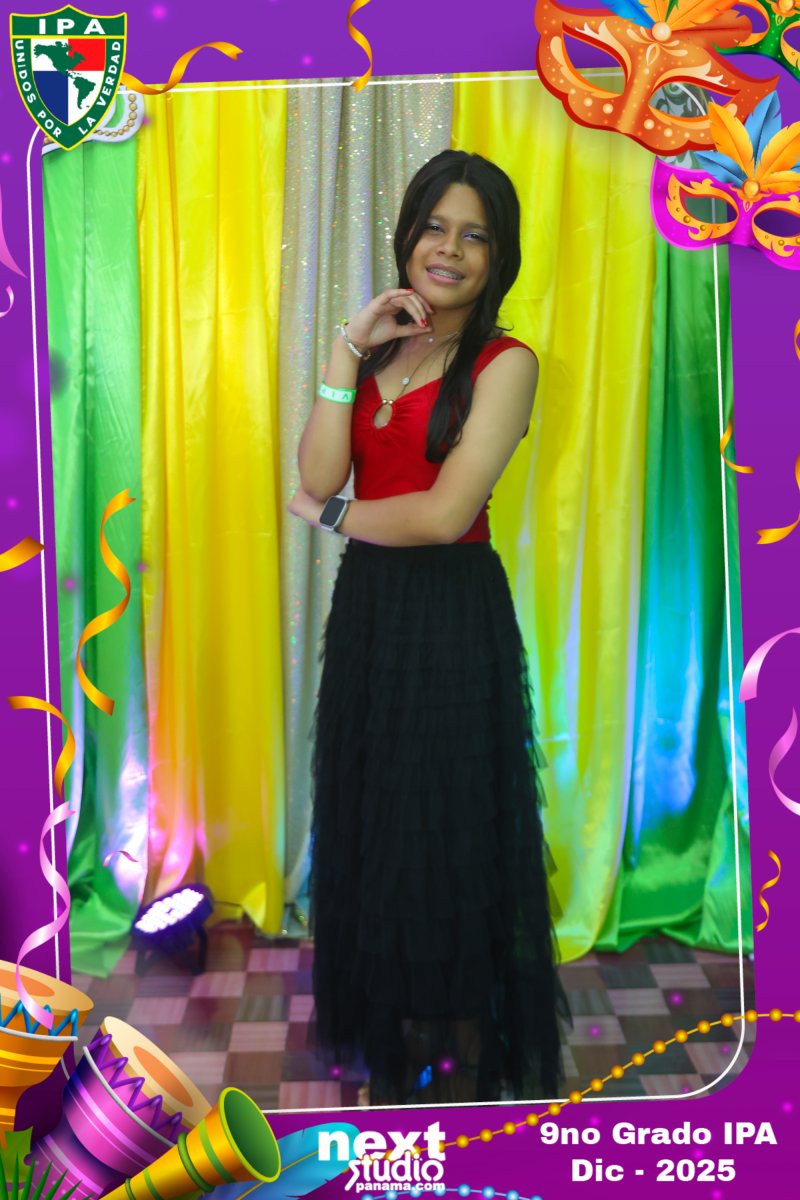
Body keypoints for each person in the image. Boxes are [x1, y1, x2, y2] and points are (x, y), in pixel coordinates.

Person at [288, 149, 567, 1105]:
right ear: (408, 235)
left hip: (450, 619)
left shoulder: (506, 364)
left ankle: (454, 1061)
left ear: (499, 257)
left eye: (475, 236)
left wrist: (328, 518)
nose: (450, 249)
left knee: (444, 829)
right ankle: (395, 1038)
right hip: (369, 611)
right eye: (436, 228)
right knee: (374, 816)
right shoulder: (380, 354)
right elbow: (319, 470)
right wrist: (345, 350)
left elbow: (444, 514)